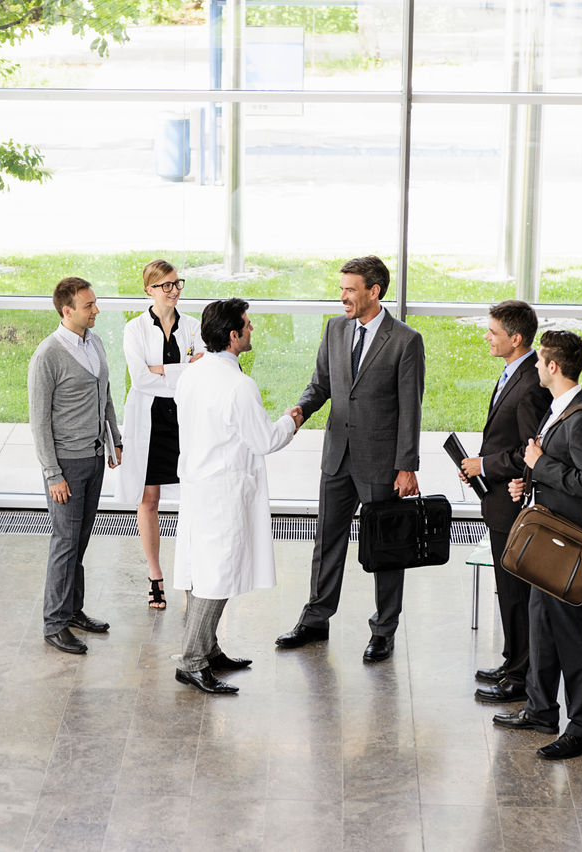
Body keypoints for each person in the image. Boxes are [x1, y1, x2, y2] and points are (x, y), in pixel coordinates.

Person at [277, 255, 425, 663]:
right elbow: (321, 383)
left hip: (381, 462)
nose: (342, 296)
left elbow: (411, 408)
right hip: (337, 457)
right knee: (327, 542)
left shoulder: (405, 341)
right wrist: (301, 411)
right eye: (341, 287)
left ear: (374, 291)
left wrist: (406, 465)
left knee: (386, 548)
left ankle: (384, 630)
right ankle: (315, 619)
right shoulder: (335, 329)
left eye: (350, 289)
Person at [493, 329, 582, 760]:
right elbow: (552, 467)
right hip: (550, 542)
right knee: (541, 624)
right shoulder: (558, 411)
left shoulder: (581, 419)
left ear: (554, 367)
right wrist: (529, 479)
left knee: (571, 635)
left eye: (540, 361)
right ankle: (541, 710)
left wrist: (541, 464)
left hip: (568, 550)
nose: (536, 367)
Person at [173, 298, 301, 694]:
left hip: (197, 486)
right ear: (233, 335)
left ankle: (209, 650)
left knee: (202, 572)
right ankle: (192, 662)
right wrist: (291, 421)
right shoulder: (239, 386)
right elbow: (263, 439)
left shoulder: (191, 375)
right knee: (217, 577)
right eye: (247, 324)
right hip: (223, 491)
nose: (252, 329)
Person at [459, 300, 551, 703]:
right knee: (507, 589)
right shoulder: (514, 372)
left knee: (514, 592)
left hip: (513, 505)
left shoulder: (531, 384)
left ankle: (520, 676)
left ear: (516, 339)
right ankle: (512, 661)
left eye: (493, 332)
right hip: (498, 499)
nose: (486, 337)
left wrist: (485, 465)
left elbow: (529, 451)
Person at [27, 277, 122, 655]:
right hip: (66, 464)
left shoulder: (93, 342)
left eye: (94, 303)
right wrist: (53, 475)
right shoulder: (47, 356)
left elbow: (106, 392)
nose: (96, 310)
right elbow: (39, 422)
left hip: (95, 457)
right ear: (67, 311)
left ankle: (73, 611)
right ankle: (54, 623)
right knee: (65, 544)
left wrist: (114, 438)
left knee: (79, 541)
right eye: (89, 306)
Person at [118, 260, 203, 610]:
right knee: (148, 499)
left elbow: (205, 369)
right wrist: (182, 370)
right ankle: (156, 578)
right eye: (165, 285)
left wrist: (162, 371)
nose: (174, 291)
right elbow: (140, 379)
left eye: (177, 284)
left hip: (185, 419)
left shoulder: (194, 326)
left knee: (192, 499)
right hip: (150, 421)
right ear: (149, 290)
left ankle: (190, 576)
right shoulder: (134, 330)